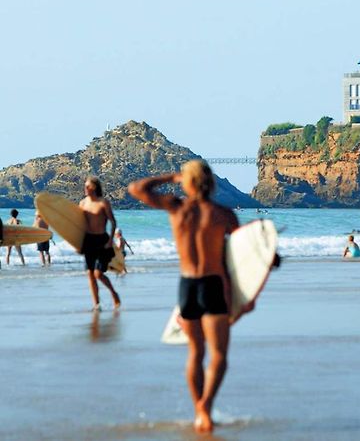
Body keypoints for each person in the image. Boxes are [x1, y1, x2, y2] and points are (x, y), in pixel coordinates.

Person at [128, 160, 243, 433]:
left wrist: (171, 176)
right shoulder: (223, 214)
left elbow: (136, 188)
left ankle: (197, 411)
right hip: (214, 285)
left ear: (188, 181)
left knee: (195, 352)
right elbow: (242, 254)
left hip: (187, 286)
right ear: (211, 182)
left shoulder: (176, 207)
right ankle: (206, 406)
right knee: (219, 355)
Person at [79, 177, 121, 311]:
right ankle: (96, 304)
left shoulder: (103, 203)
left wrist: (110, 241)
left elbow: (113, 222)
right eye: (85, 186)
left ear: (95, 188)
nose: (85, 189)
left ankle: (113, 293)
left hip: (102, 240)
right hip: (88, 241)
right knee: (90, 274)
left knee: (98, 273)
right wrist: (77, 244)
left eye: (88, 186)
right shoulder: (82, 203)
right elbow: (78, 225)